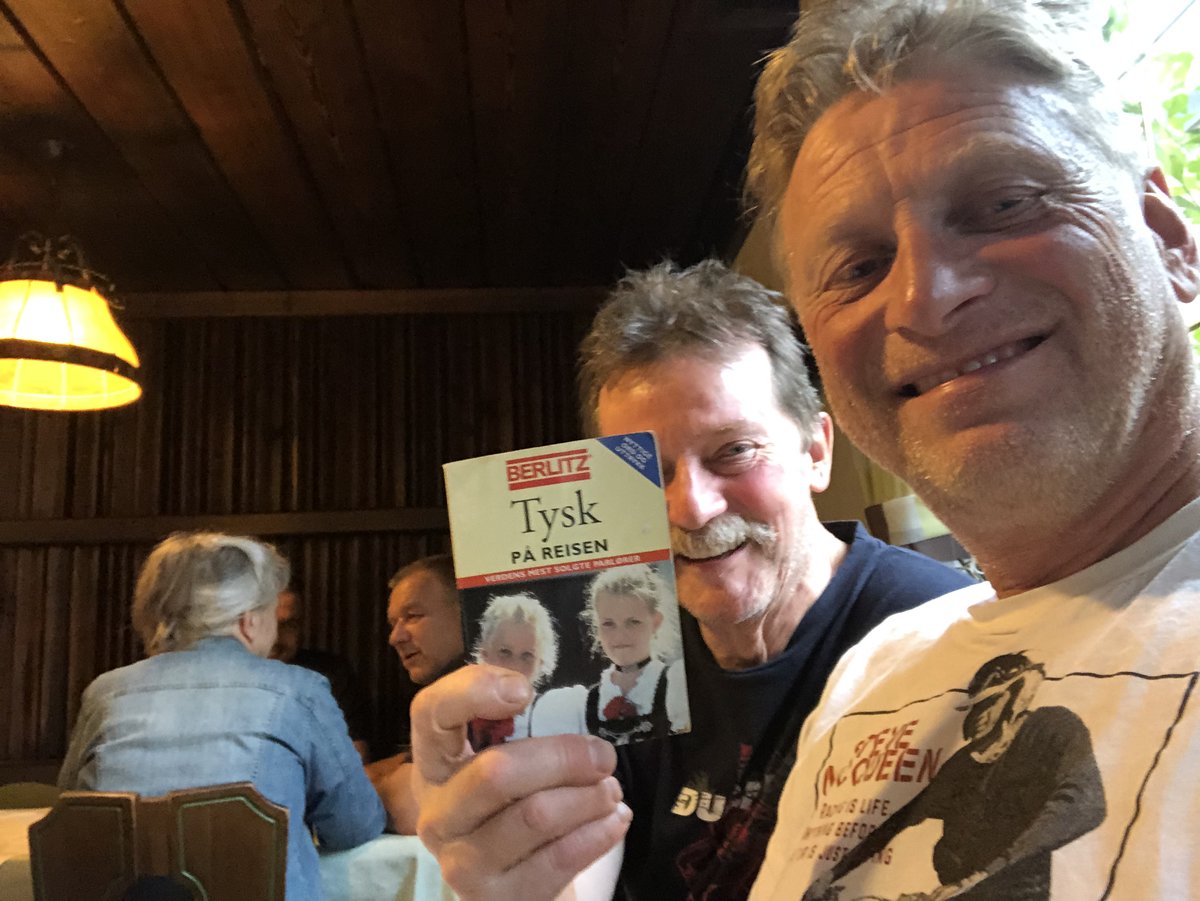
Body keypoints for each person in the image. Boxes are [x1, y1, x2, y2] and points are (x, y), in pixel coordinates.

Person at [739, 2, 1200, 899]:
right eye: (859, 266)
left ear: (1171, 241)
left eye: (1004, 204)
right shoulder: (870, 677)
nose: (925, 297)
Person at [407, 260, 975, 900]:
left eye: (734, 451)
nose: (692, 510)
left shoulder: (949, 636)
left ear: (816, 452)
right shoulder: (621, 651)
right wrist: (515, 869)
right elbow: (580, 872)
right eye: (648, 475)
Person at [58, 531, 385, 901]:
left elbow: (73, 815)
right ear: (248, 621)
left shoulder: (105, 693)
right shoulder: (299, 689)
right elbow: (354, 825)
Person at [370, 553, 467, 833]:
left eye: (412, 616)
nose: (395, 637)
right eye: (393, 624)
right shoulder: (445, 688)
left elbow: (409, 806)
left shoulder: (484, 685)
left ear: (467, 612)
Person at [580, 563, 688, 745]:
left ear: (656, 622)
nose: (620, 636)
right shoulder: (587, 701)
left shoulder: (675, 685)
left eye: (633, 622)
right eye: (608, 624)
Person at [469, 591, 587, 746]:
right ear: (485, 655)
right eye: (505, 652)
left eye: (527, 656)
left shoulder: (556, 711)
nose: (515, 667)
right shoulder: (463, 717)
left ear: (541, 662)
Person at [272, 582, 372, 762]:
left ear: (302, 627)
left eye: (288, 625)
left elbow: (355, 760)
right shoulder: (220, 677)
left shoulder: (330, 675)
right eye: (265, 624)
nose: (275, 638)